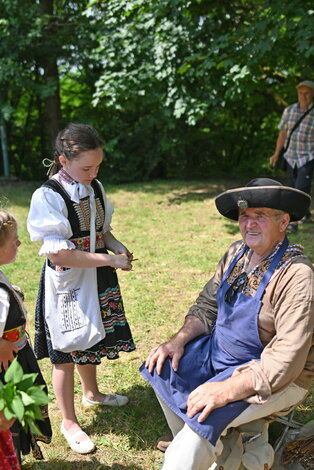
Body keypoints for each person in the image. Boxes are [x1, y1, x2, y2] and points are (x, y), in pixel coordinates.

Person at [140, 178, 314, 470]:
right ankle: (215, 449)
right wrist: (177, 341)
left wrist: (227, 389)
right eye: (245, 217)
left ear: (284, 222)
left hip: (271, 374)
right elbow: (207, 306)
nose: (249, 225)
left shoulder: (297, 276)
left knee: (203, 414)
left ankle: (198, 447)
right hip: (221, 354)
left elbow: (286, 362)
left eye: (260, 217)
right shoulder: (237, 253)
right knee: (163, 367)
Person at [27, 123, 136, 454]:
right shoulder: (48, 196)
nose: (94, 172)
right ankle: (69, 420)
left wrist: (116, 248)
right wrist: (108, 261)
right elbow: (59, 252)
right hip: (67, 283)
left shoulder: (95, 187)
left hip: (97, 273)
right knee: (65, 351)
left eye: (98, 165)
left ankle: (92, 394)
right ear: (63, 161)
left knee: (92, 337)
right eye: (86, 167)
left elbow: (103, 231)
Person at [0, 210, 52, 465]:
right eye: (14, 240)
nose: (19, 243)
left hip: (13, 359)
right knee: (9, 415)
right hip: (7, 370)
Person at [269, 79, 314, 232]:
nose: (303, 96)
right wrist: (276, 154)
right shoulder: (289, 111)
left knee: (301, 187)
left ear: (312, 94)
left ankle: (293, 222)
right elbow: (282, 134)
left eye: (307, 93)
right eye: (301, 93)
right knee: (295, 187)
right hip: (290, 156)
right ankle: (306, 214)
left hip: (308, 156)